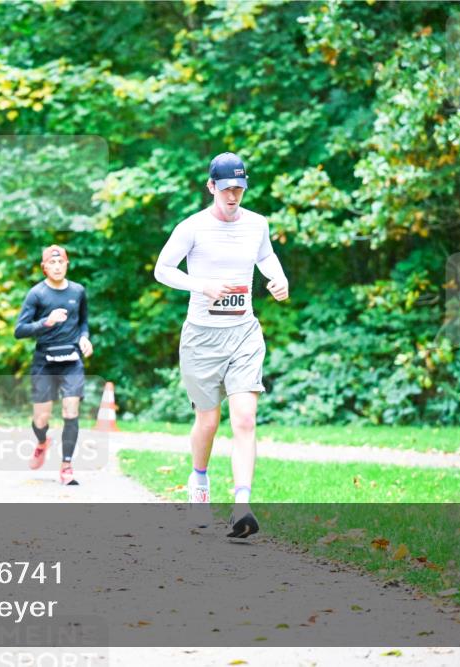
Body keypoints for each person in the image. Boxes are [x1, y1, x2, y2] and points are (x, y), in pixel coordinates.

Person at [153, 152, 289, 538]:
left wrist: (279, 281)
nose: (233, 196)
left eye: (239, 189)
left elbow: (267, 257)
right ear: (211, 187)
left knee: (245, 418)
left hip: (244, 332)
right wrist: (202, 285)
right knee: (209, 422)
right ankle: (199, 482)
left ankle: (242, 504)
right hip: (201, 337)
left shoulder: (257, 225)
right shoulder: (191, 228)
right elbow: (163, 270)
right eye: (226, 189)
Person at [14, 245, 93, 486]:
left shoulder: (78, 291)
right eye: (52, 263)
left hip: (71, 360)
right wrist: (46, 322)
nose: (57, 267)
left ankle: (66, 466)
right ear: (44, 267)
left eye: (61, 263)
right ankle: (41, 442)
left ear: (66, 264)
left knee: (71, 410)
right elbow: (20, 330)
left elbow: (83, 322)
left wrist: (84, 337)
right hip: (44, 362)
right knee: (41, 419)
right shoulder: (36, 294)